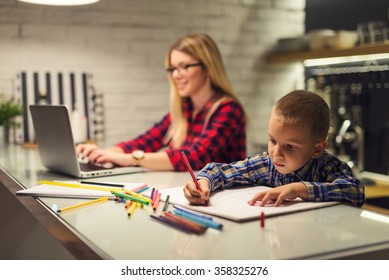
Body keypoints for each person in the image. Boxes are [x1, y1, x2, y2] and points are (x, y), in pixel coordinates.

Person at [76, 33, 246, 171]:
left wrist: (129, 159)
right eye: (172, 68)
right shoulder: (184, 109)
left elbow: (194, 157)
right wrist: (103, 153)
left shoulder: (229, 109)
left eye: (184, 66)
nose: (176, 75)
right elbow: (146, 141)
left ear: (207, 68)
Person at [184, 90, 365, 207]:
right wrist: (203, 182)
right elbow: (222, 171)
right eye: (272, 140)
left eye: (290, 146)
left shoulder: (328, 167)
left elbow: (355, 191)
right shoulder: (267, 164)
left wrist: (298, 189)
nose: (276, 154)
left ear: (317, 149)